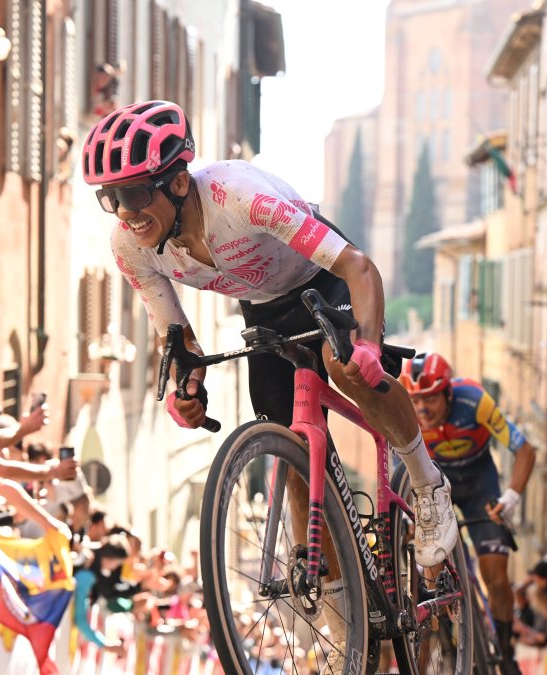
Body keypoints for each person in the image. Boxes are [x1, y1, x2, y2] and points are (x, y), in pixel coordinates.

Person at [86, 101, 456, 557]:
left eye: (137, 195)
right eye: (111, 198)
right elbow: (179, 340)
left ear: (179, 182)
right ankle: (340, 613)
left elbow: (359, 268)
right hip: (263, 309)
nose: (125, 213)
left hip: (323, 280)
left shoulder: (239, 199)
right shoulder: (130, 246)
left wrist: (368, 346)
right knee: (291, 452)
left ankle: (428, 484)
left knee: (344, 366)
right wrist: (190, 388)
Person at [399, 352, 535, 667]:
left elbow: (525, 450)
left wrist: (511, 498)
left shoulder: (475, 401)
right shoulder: (405, 415)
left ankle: (504, 651)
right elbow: (401, 473)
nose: (422, 409)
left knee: (495, 574)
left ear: (449, 392)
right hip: (436, 486)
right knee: (428, 572)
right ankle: (445, 633)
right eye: (416, 400)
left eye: (431, 399)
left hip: (479, 483)